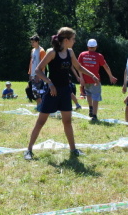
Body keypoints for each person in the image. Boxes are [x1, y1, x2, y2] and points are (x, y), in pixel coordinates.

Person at [24, 27, 99, 160]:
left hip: (65, 91)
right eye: (73, 39)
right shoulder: (52, 53)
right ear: (66, 40)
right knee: (41, 121)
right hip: (52, 91)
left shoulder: (70, 52)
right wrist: (49, 83)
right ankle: (29, 150)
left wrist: (92, 75)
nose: (74, 41)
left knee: (67, 121)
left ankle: (73, 149)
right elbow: (38, 70)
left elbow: (78, 67)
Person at [78, 39, 117, 121]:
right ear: (96, 47)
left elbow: (79, 67)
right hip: (95, 80)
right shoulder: (99, 56)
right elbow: (106, 66)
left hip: (85, 79)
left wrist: (81, 78)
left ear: (88, 46)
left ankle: (90, 108)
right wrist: (111, 76)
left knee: (88, 94)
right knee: (96, 97)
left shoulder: (82, 54)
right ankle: (94, 115)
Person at [26, 34, 46, 108]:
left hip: (39, 75)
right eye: (31, 42)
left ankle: (40, 106)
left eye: (33, 42)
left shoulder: (41, 51)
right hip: (33, 74)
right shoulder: (33, 50)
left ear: (37, 42)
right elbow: (32, 62)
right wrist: (30, 73)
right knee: (34, 91)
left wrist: (39, 75)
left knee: (37, 91)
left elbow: (43, 64)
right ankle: (39, 105)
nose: (32, 44)